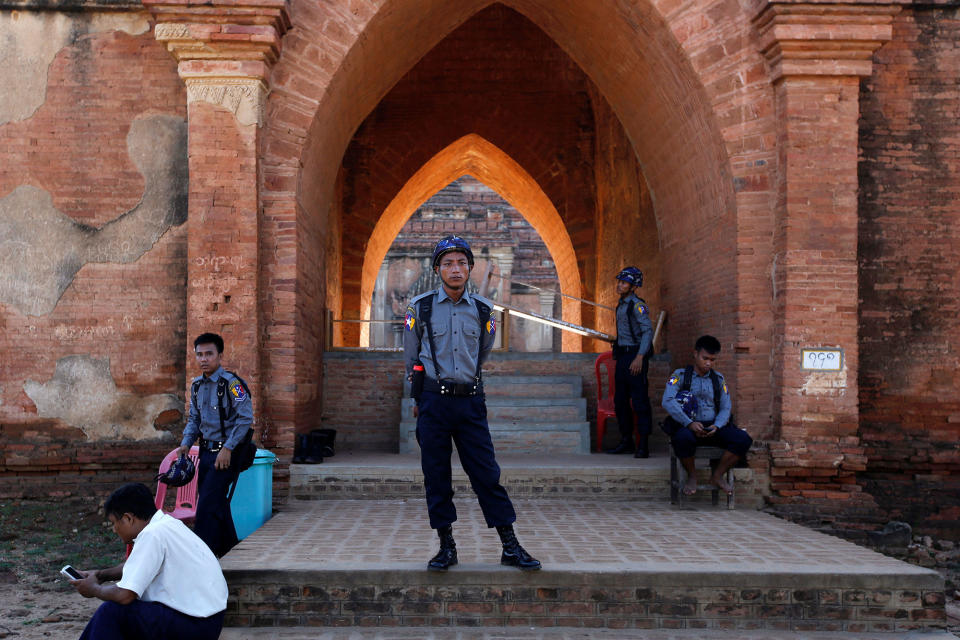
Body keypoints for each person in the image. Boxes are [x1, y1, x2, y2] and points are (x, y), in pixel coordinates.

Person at [403, 235, 540, 572]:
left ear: (470, 268)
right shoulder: (418, 308)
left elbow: (483, 352)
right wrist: (419, 397)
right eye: (448, 263)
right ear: (438, 269)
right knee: (437, 476)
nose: (456, 269)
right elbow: (411, 358)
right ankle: (446, 547)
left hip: (470, 402)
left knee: (486, 474)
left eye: (462, 263)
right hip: (434, 402)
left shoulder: (483, 310)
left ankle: (510, 545)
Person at [68, 483, 227, 640]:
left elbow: (125, 595)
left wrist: (94, 589)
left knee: (111, 611)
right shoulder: (166, 525)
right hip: (208, 620)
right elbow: (139, 566)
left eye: (114, 523)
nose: (115, 529)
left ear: (128, 518)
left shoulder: (152, 534)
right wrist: (100, 575)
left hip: (194, 625)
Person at [177, 332, 253, 557]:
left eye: (209, 354)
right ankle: (230, 550)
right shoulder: (197, 386)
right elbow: (194, 419)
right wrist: (185, 443)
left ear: (220, 355)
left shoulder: (232, 385)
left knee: (206, 507)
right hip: (205, 453)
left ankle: (201, 557)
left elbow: (245, 418)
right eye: (199, 354)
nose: (203, 359)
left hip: (227, 454)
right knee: (217, 503)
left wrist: (227, 448)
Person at [661, 335, 752, 496]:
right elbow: (667, 401)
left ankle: (717, 475)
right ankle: (692, 476)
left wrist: (717, 425)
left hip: (713, 427)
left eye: (712, 359)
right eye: (705, 358)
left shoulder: (718, 379)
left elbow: (726, 407)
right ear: (695, 354)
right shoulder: (680, 375)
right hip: (688, 426)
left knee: (743, 439)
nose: (708, 363)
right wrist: (689, 423)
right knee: (682, 439)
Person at [605, 266, 654, 457]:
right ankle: (627, 440)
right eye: (619, 281)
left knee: (640, 401)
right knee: (621, 401)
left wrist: (640, 357)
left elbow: (647, 332)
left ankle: (643, 444)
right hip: (624, 356)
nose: (619, 285)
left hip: (636, 355)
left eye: (624, 282)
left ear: (633, 286)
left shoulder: (637, 305)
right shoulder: (622, 304)